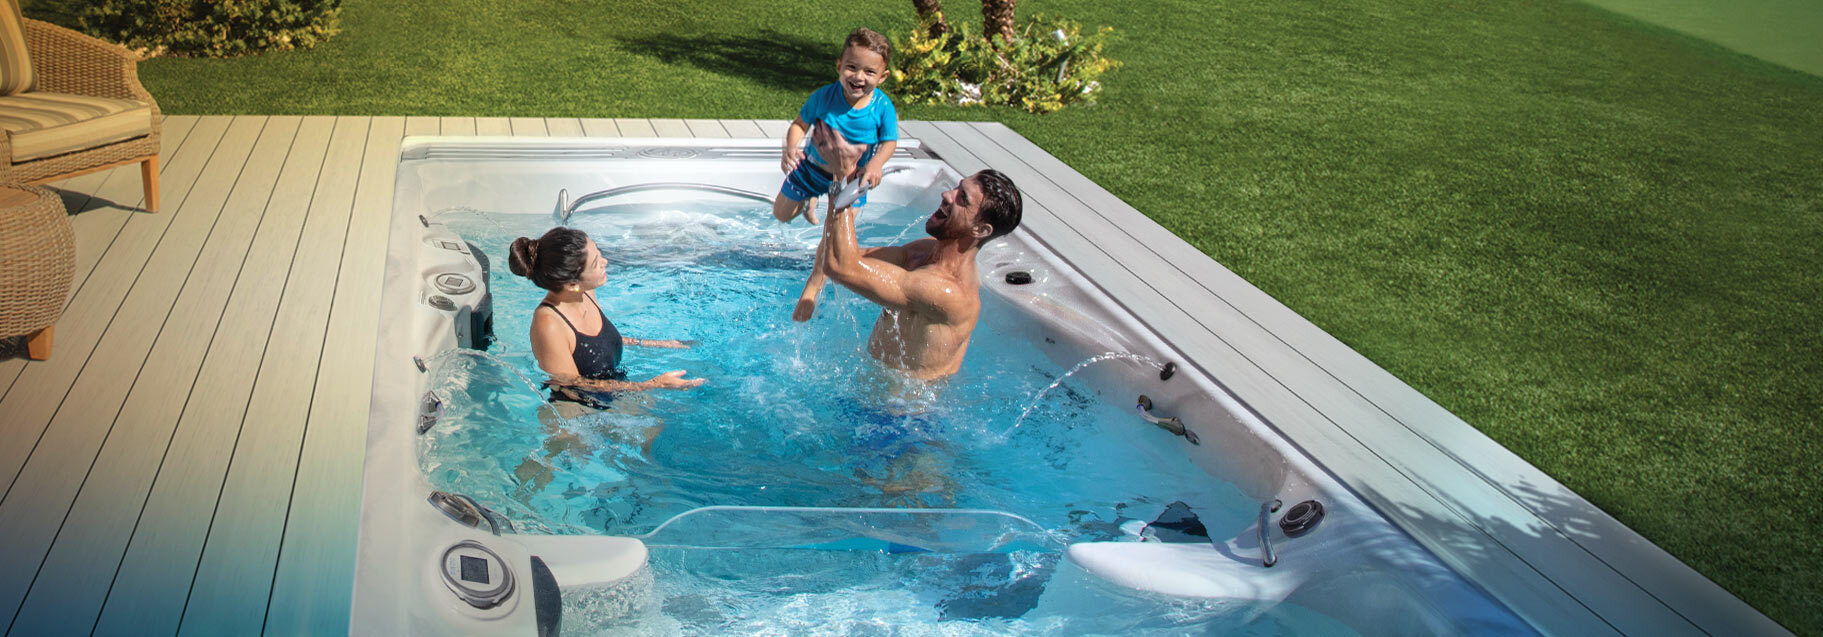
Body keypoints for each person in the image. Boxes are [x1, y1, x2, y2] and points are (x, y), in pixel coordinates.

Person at [811, 123, 1023, 381]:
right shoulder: (924, 252)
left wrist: (839, 184)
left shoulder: (948, 292)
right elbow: (841, 255)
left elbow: (840, 267)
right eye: (957, 187)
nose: (947, 194)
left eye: (962, 199)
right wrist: (849, 178)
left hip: (902, 417)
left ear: (980, 229)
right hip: (875, 401)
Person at [773, 27, 901, 322]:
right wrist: (790, 146)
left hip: (852, 181)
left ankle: (812, 290)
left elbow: (889, 142)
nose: (858, 77)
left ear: (882, 77)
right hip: (811, 171)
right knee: (781, 214)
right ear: (839, 67)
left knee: (832, 239)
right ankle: (811, 199)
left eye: (869, 72)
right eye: (852, 67)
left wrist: (876, 164)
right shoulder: (824, 97)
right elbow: (799, 125)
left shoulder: (882, 107)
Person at [506, 227, 704, 412]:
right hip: (577, 414)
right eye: (595, 263)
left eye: (598, 252)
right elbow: (572, 384)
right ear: (572, 283)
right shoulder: (548, 323)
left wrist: (658, 344)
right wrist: (652, 385)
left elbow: (597, 342)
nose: (605, 262)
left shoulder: (584, 291)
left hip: (612, 393)